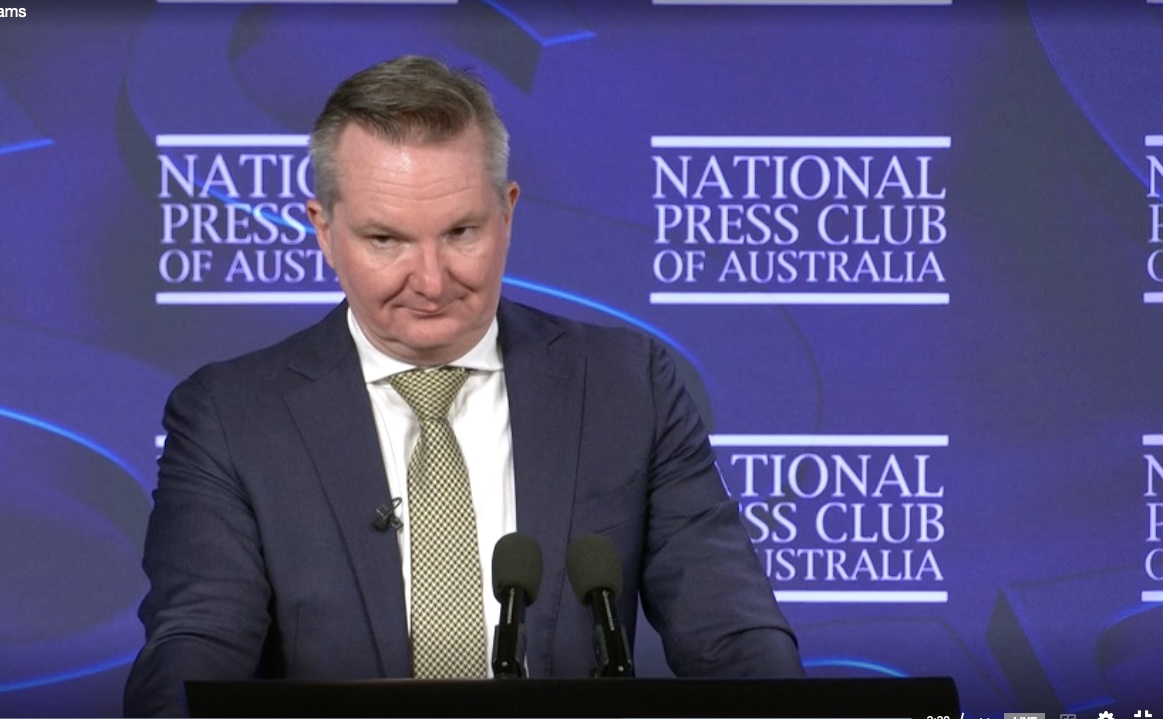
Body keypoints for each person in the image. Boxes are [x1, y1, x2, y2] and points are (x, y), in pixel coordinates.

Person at [124, 55, 803, 717]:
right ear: (323, 231)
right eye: (386, 239)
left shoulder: (630, 386)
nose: (430, 278)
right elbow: (198, 640)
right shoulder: (230, 416)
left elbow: (730, 631)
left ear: (506, 214)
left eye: (461, 232)